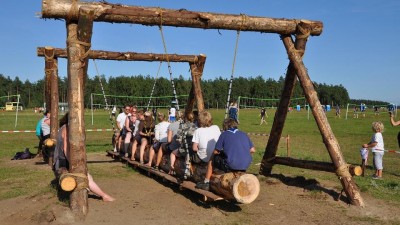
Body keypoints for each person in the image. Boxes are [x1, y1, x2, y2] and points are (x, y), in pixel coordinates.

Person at [53, 113, 115, 202]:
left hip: (61, 160)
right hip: (62, 162)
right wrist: (74, 163)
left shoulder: (64, 127)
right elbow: (66, 149)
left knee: (88, 176)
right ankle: (104, 196)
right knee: (86, 177)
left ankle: (95, 191)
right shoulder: (66, 129)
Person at [196, 118, 255, 191]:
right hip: (246, 164)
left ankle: (206, 181)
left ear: (225, 127)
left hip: (231, 165)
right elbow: (252, 150)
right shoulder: (244, 134)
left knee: (212, 158)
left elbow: (216, 151)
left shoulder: (224, 135)